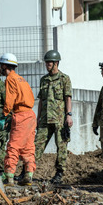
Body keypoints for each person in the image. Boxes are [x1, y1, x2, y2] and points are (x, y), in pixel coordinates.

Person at [0, 53, 37, 186]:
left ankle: (9, 177)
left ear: (4, 65)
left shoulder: (10, 79)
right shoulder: (21, 79)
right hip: (30, 115)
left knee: (13, 146)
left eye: (1, 65)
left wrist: (5, 115)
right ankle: (28, 175)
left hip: (21, 115)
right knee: (28, 147)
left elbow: (10, 98)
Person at [34, 50, 73, 184]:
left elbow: (68, 98)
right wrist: (37, 119)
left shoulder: (64, 79)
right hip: (45, 119)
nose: (47, 65)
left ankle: (60, 173)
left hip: (59, 119)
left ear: (56, 63)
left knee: (61, 146)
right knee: (37, 145)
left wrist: (69, 115)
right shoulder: (43, 80)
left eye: (49, 62)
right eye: (46, 63)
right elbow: (41, 101)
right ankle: (28, 171)